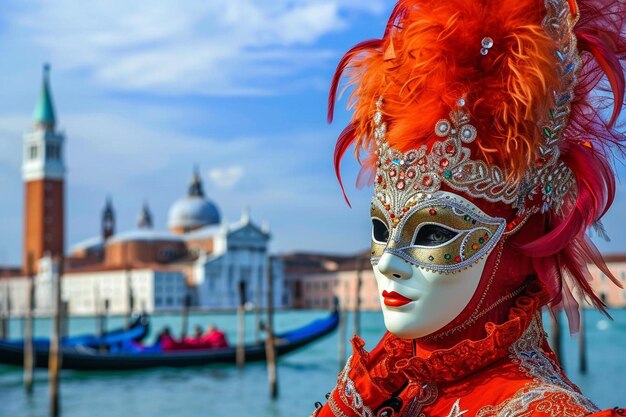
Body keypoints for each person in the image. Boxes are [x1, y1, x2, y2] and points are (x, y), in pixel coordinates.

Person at [312, 0, 626, 416]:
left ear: (517, 233)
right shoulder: (384, 387)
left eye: (434, 233)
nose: (388, 263)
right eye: (381, 229)